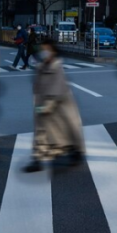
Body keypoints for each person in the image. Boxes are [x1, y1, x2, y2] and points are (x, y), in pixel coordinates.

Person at [24, 38, 85, 173]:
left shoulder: (57, 67)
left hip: (60, 108)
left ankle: (76, 153)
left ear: (53, 51)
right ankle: (38, 160)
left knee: (67, 133)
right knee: (42, 134)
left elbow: (58, 89)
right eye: (43, 50)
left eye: (47, 50)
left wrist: (47, 106)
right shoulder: (41, 66)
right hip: (44, 105)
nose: (44, 52)